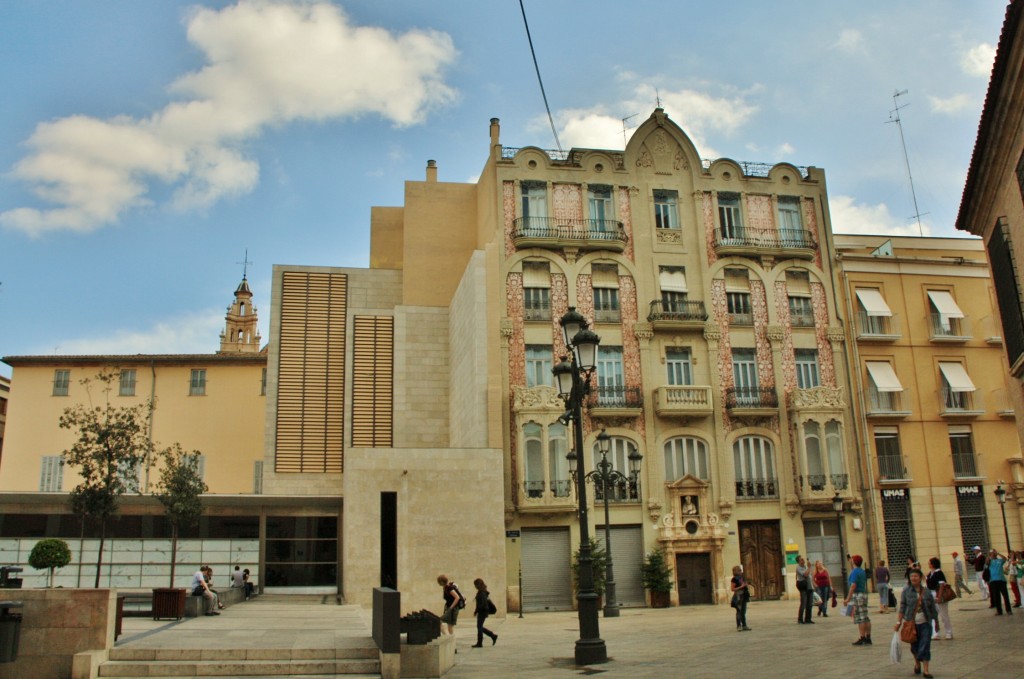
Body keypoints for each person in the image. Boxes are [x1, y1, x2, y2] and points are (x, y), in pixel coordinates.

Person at [895, 567, 938, 678]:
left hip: (925, 622)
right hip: (911, 623)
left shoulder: (927, 592)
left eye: (915, 576)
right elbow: (902, 607)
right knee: (914, 645)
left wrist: (936, 621)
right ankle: (917, 663)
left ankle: (926, 670)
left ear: (920, 578)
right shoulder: (906, 591)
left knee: (925, 644)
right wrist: (898, 621)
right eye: (911, 576)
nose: (913, 578)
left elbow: (932, 607)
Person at [843, 554, 871, 645]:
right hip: (863, 594)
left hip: (857, 595)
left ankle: (862, 637)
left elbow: (853, 586)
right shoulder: (861, 571)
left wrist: (848, 598)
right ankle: (868, 637)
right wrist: (850, 560)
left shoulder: (855, 572)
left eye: (852, 559)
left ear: (854, 561)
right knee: (865, 617)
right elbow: (852, 566)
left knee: (860, 618)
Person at [926, 557, 952, 640]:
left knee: (944, 615)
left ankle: (948, 632)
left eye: (929, 563)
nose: (928, 564)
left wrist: (939, 597)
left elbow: (941, 585)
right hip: (931, 594)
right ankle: (935, 632)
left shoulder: (939, 573)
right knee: (933, 615)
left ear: (933, 564)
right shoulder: (930, 573)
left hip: (938, 593)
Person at [470, 578, 498, 647]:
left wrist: (478, 610)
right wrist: (476, 611)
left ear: (478, 585)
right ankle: (492, 636)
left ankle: (480, 643)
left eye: (475, 585)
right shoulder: (481, 591)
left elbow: (483, 604)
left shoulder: (482, 593)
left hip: (482, 612)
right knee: (480, 627)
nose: (475, 587)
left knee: (479, 627)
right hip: (482, 611)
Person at [437, 574, 464, 642]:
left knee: (441, 622)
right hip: (451, 609)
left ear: (442, 582)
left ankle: (450, 640)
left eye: (439, 582)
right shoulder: (446, 587)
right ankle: (451, 643)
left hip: (453, 609)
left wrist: (450, 608)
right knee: (450, 626)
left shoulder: (449, 588)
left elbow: (457, 597)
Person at [988, 549, 1013, 615]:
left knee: (1005, 596)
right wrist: (990, 555)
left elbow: (1005, 559)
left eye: (994, 553)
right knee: (996, 597)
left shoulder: (999, 560)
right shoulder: (990, 561)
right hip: (993, 581)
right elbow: (986, 561)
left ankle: (1008, 610)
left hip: (1001, 580)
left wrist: (998, 553)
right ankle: (999, 611)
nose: (993, 554)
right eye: (992, 553)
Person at [730, 565, 751, 631]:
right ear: (736, 571)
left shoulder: (742, 577)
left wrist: (746, 585)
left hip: (744, 595)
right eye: (739, 570)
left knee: (743, 611)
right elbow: (732, 589)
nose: (741, 571)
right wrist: (741, 586)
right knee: (739, 611)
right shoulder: (734, 579)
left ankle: (744, 625)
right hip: (738, 596)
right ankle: (739, 626)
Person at [795, 555, 814, 624]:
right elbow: (805, 575)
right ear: (799, 561)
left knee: (810, 604)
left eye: (803, 559)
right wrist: (809, 567)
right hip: (804, 588)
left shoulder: (805, 567)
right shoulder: (798, 568)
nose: (803, 561)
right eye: (801, 560)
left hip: (809, 587)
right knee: (803, 603)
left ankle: (808, 619)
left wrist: (813, 585)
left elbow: (810, 576)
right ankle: (800, 619)